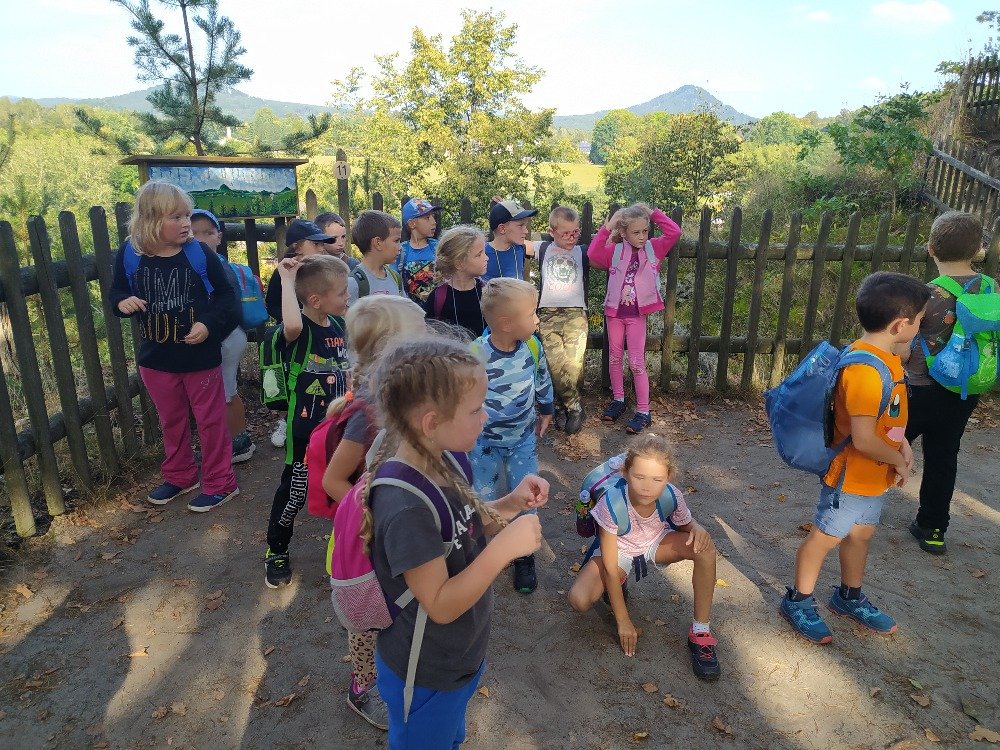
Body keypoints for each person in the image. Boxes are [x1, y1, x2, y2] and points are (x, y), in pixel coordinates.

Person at [362, 335, 549, 748]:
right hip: (425, 672)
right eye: (477, 408)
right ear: (431, 422)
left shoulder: (446, 457)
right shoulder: (405, 506)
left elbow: (463, 528)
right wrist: (504, 550)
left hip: (458, 656)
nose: (487, 415)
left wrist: (509, 505)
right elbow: (441, 603)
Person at [779, 272, 930, 644]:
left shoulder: (886, 357)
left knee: (861, 535)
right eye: (920, 320)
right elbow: (863, 439)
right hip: (852, 476)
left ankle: (849, 596)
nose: (922, 326)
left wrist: (902, 444)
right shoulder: (865, 371)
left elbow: (886, 416)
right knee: (825, 538)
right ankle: (798, 601)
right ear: (899, 325)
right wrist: (898, 460)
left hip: (873, 477)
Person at [320, 295, 427, 731]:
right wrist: (374, 519)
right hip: (367, 540)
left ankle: (396, 671)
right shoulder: (370, 412)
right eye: (422, 332)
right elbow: (333, 480)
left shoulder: (405, 396)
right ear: (392, 349)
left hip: (394, 532)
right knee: (366, 620)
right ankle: (363, 687)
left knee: (396, 608)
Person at [109, 181, 240, 511]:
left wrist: (207, 324)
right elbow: (116, 293)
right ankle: (181, 476)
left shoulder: (199, 254)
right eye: (176, 217)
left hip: (200, 359)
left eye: (186, 216)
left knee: (210, 423)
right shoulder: (130, 254)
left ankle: (221, 483)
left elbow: (226, 298)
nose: (186, 224)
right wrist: (122, 302)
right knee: (171, 421)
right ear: (151, 220)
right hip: (156, 360)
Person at [567, 434, 721, 680]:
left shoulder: (671, 494)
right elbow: (610, 566)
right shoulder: (611, 503)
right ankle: (619, 583)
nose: (647, 487)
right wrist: (623, 620)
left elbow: (686, 525)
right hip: (619, 550)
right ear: (625, 473)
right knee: (579, 599)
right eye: (639, 477)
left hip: (656, 541)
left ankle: (700, 632)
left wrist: (698, 527)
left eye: (657, 479)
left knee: (705, 548)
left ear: (668, 477)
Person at [904, 211, 990, 555]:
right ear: (979, 250)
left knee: (889, 446)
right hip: (965, 389)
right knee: (943, 456)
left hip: (919, 388)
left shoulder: (925, 295)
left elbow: (905, 341)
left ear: (930, 248)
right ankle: (933, 528)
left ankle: (856, 510)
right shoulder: (990, 288)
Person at [264, 254, 351, 588]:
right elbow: (292, 325)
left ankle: (346, 544)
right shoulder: (299, 331)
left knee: (344, 485)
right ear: (316, 300)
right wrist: (287, 280)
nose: (348, 297)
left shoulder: (338, 326)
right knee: (294, 493)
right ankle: (277, 549)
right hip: (304, 433)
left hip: (339, 430)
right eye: (342, 292)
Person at [470, 278, 554, 594]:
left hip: (522, 439)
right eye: (532, 314)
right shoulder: (476, 353)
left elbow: (542, 378)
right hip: (484, 444)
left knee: (527, 495)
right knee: (484, 498)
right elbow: (462, 394)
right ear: (507, 323)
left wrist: (547, 409)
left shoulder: (532, 347)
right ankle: (484, 552)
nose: (537, 320)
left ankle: (523, 556)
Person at [588, 203, 681, 435]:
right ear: (623, 233)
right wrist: (608, 226)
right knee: (614, 358)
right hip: (614, 314)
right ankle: (618, 400)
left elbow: (674, 232)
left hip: (637, 316)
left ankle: (643, 411)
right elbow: (593, 254)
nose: (642, 236)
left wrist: (652, 213)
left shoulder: (653, 248)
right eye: (636, 232)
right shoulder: (615, 251)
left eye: (645, 231)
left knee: (637, 363)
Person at [264, 218, 339, 450]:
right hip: (296, 336)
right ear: (297, 247)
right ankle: (287, 420)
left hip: (321, 334)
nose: (321, 248)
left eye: (322, 244)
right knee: (296, 380)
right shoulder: (284, 273)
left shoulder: (323, 269)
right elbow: (271, 303)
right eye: (315, 244)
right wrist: (292, 316)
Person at [190, 209, 256, 463]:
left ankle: (237, 443)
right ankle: (235, 441)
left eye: (207, 233)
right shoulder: (212, 263)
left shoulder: (215, 265)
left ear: (219, 236)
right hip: (227, 336)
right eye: (194, 233)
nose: (201, 239)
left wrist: (211, 334)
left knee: (226, 392)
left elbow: (228, 307)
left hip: (225, 337)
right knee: (226, 390)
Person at [536, 205, 590, 435]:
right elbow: (513, 237)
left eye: (575, 232)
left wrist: (611, 225)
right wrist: (504, 210)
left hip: (575, 314)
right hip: (548, 314)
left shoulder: (582, 251)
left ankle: (561, 405)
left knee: (572, 366)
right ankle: (574, 407)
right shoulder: (542, 248)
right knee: (555, 364)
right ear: (552, 231)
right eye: (566, 233)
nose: (571, 237)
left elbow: (605, 247)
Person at [422, 225, 489, 338]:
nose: (486, 258)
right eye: (479, 255)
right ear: (459, 263)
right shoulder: (438, 298)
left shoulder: (488, 292)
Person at [347, 210, 406, 305]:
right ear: (378, 243)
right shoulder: (354, 283)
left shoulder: (395, 278)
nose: (400, 247)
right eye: (396, 241)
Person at [396, 198, 442, 303]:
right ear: (412, 224)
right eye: (427, 217)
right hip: (411, 310)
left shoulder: (438, 247)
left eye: (433, 217)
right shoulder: (401, 251)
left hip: (438, 309)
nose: (434, 222)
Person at [483, 199, 537, 282]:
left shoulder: (521, 247)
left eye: (525, 226)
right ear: (502, 229)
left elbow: (547, 248)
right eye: (520, 226)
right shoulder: (481, 252)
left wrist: (507, 206)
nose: (526, 231)